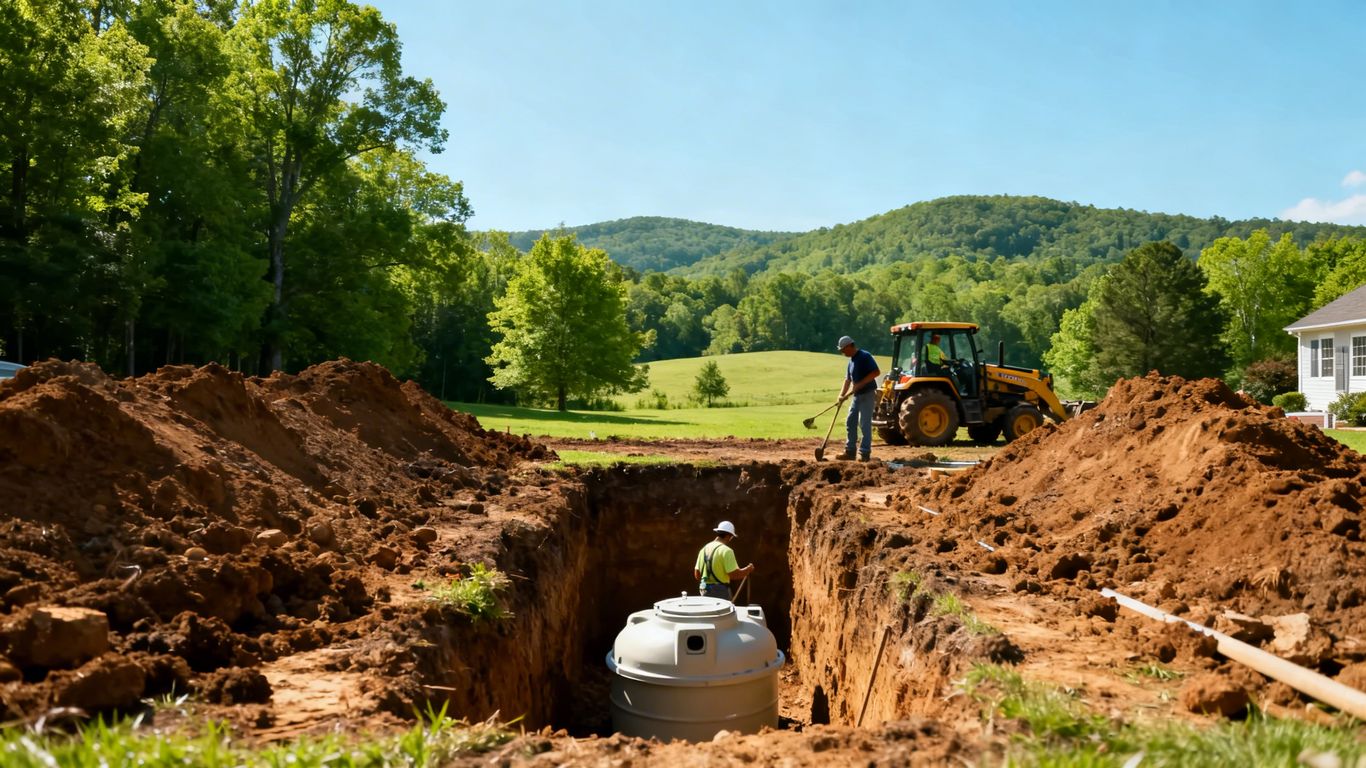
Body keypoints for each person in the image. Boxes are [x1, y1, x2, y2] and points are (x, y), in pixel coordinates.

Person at [836, 335, 881, 461]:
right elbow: (847, 379)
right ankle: (850, 451)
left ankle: (865, 453)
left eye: (843, 349)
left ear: (850, 346)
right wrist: (841, 395)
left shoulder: (864, 356)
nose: (842, 352)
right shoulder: (851, 361)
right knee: (850, 421)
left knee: (864, 423)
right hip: (857, 396)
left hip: (867, 394)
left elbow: (876, 372)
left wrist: (861, 384)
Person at [694, 521, 754, 600]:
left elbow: (697, 575)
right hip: (720, 592)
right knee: (724, 612)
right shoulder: (727, 551)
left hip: (703, 590)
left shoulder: (703, 549)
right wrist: (748, 570)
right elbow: (734, 574)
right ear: (729, 536)